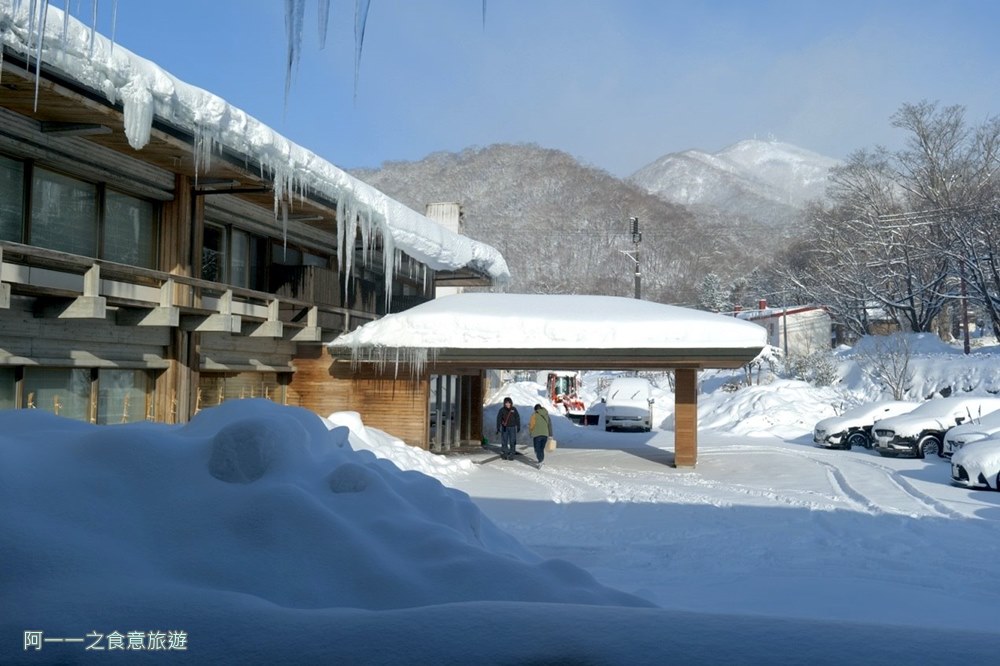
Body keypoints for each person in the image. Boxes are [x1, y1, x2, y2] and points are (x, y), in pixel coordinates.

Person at [528, 403, 553, 469]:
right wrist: (550, 435)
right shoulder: (546, 415)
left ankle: (540, 461)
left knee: (537, 449)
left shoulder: (534, 415)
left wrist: (530, 432)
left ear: (535, 409)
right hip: (545, 434)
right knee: (541, 449)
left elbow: (531, 425)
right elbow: (549, 425)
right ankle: (541, 460)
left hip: (537, 434)